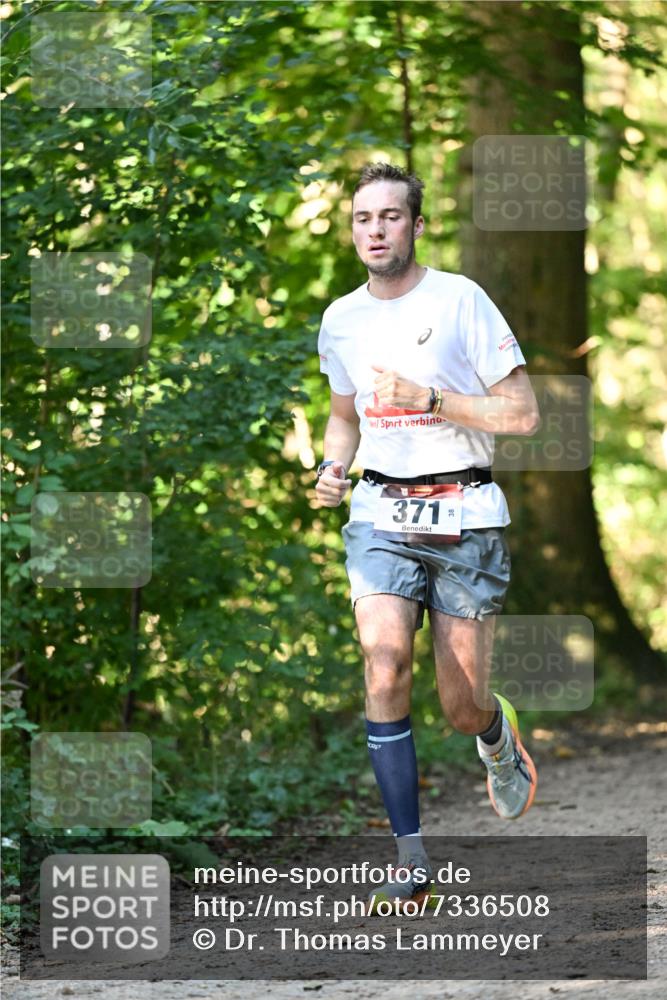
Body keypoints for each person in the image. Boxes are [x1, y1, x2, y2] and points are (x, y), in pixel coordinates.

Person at [315, 162, 540, 913]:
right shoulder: (340, 318)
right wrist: (331, 466)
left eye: (388, 216)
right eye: (361, 219)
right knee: (383, 668)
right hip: (379, 514)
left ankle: (494, 733)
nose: (374, 230)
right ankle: (410, 859)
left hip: (464, 512)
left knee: (458, 703)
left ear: (416, 224)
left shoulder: (460, 301)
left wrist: (432, 399)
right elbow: (343, 413)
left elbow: (522, 414)